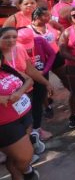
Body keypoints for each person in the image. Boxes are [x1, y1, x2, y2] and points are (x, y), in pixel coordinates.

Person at [0, 27, 40, 180]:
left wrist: (19, 92)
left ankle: (21, 174)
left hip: (24, 116)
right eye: (6, 37)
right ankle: (27, 170)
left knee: (15, 158)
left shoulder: (6, 69)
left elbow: (28, 79)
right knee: (25, 157)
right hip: (6, 124)